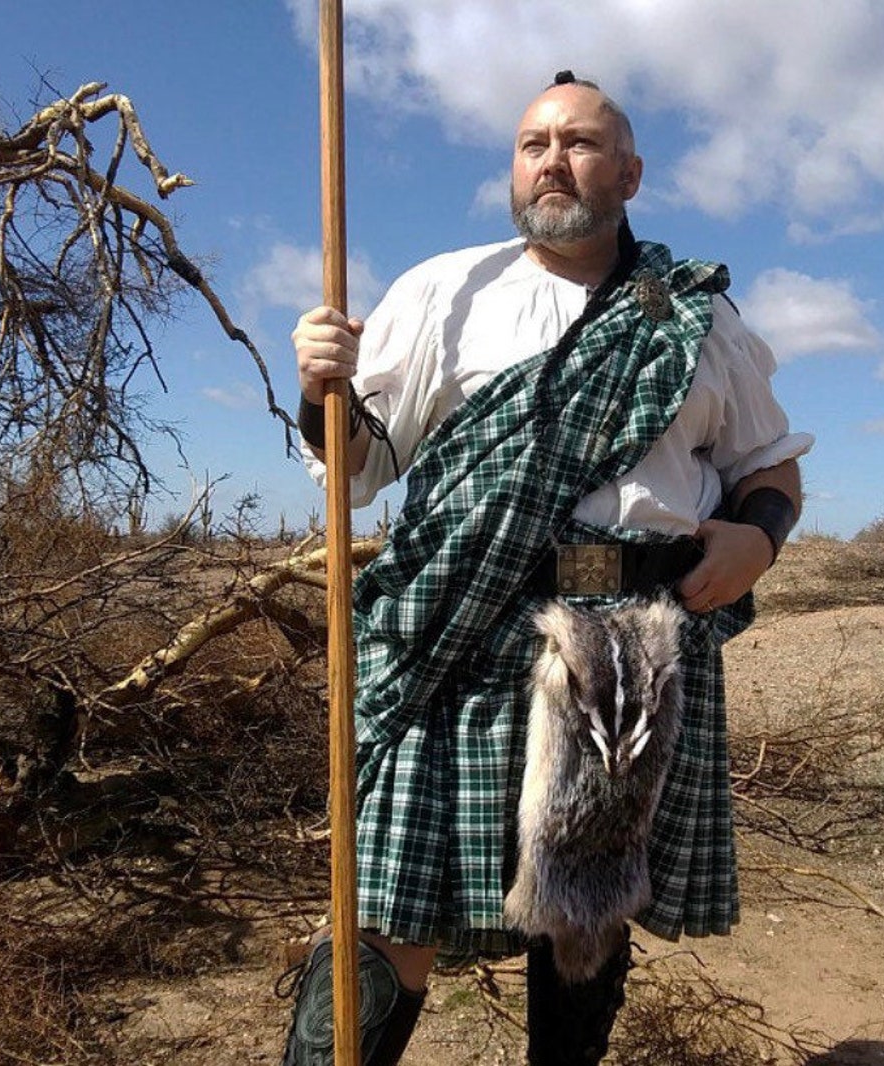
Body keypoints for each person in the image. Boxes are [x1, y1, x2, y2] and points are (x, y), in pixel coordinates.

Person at [282, 71, 813, 1066]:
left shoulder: (689, 315)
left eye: (579, 142)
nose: (552, 161)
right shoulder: (446, 291)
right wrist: (323, 391)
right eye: (534, 144)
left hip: (627, 646)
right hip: (458, 626)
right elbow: (356, 467)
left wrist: (760, 537)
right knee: (389, 900)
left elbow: (766, 465)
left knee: (586, 916)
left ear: (630, 173)